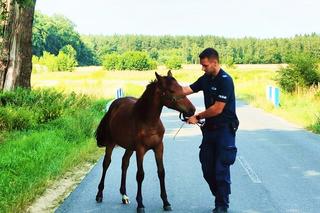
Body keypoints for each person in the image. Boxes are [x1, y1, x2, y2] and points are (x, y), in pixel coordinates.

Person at [182, 48, 239, 213]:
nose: (203, 68)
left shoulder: (225, 80)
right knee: (207, 168)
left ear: (215, 62)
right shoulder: (205, 79)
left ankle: (222, 205)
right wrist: (167, 85)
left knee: (221, 168)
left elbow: (217, 109)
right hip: (210, 131)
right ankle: (219, 196)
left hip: (225, 130)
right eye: (202, 65)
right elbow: (187, 90)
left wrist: (197, 117)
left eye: (205, 65)